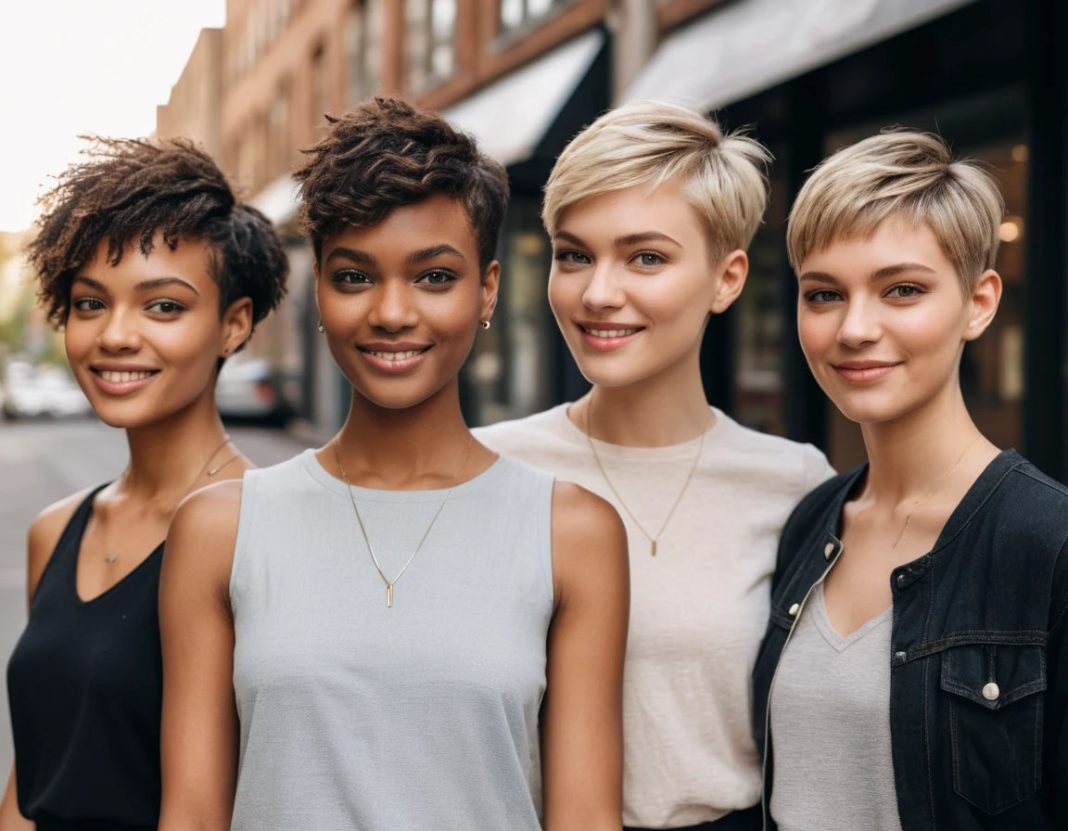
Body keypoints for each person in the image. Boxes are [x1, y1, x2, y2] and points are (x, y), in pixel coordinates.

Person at [156, 97, 629, 831]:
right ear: (321, 291)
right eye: (355, 277)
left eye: (434, 276)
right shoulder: (221, 526)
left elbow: (587, 818)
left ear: (488, 290)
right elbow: (189, 813)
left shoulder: (571, 531)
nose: (391, 312)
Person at [475, 100, 833, 831]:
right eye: (574, 255)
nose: (598, 293)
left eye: (645, 257)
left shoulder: (796, 484)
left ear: (728, 278)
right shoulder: (486, 467)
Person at [752, 130, 1068, 830]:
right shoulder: (811, 524)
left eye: (902, 289)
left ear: (979, 302)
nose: (855, 328)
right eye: (824, 294)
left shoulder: (1050, 544)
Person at [0, 137, 287, 831]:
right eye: (90, 303)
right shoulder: (58, 529)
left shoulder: (273, 525)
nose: (115, 335)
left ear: (234, 323)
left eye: (162, 307)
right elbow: (33, 777)